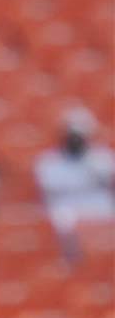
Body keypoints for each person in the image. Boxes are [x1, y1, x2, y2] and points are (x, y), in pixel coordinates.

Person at [34, 105, 114, 262]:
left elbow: (107, 183)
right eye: (72, 136)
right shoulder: (49, 161)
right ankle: (72, 261)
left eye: (80, 136)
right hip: (66, 206)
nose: (76, 140)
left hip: (98, 204)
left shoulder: (103, 158)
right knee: (61, 219)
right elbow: (50, 190)